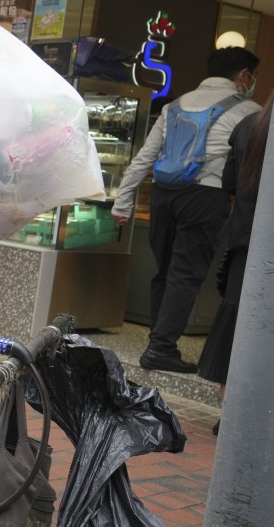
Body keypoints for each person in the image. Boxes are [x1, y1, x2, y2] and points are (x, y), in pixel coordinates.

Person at [112, 47, 261, 373]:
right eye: (253, 76)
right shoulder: (249, 111)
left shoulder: (174, 105)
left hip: (165, 195)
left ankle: (158, 340)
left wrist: (123, 201)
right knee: (185, 274)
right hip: (206, 197)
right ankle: (161, 348)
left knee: (165, 270)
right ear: (243, 76)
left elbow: (144, 157)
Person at [197, 92, 270, 435]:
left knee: (235, 326)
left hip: (244, 239)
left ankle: (229, 415)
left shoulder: (248, 126)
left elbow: (228, 183)